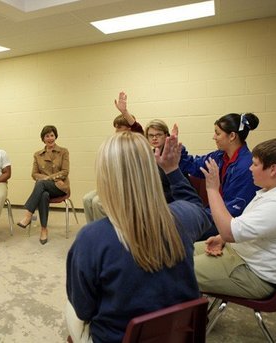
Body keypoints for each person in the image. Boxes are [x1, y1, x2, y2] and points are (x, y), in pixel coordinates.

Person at [66, 131, 211, 343]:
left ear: (105, 177)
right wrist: (172, 169)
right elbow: (196, 206)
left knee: (68, 308)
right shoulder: (183, 218)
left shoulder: (90, 238)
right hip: (178, 336)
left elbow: (83, 309)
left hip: (118, 338)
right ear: (150, 172)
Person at [195, 138, 276, 299]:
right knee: (176, 254)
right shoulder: (273, 191)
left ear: (273, 169)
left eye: (255, 164)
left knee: (173, 273)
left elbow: (229, 231)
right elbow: (243, 230)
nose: (250, 168)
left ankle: (183, 320)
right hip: (240, 253)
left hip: (252, 273)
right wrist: (222, 239)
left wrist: (213, 189)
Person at [178, 113, 260, 240]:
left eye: (217, 133)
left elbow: (233, 211)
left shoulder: (246, 167)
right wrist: (178, 150)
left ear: (232, 136)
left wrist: (199, 217)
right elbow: (194, 166)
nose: (214, 137)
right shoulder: (220, 156)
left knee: (178, 230)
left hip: (227, 223)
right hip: (214, 214)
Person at [83, 91, 144, 223]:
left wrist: (125, 112)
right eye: (115, 127)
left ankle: (105, 236)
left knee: (98, 203)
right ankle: (93, 231)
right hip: (114, 185)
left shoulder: (136, 143)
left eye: (119, 127)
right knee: (87, 199)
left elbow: (138, 129)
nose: (116, 131)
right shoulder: (116, 145)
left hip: (129, 187)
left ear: (128, 129)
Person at [17, 125, 70, 244]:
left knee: (41, 184)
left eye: (52, 135)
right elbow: (34, 174)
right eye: (47, 136)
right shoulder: (37, 154)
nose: (50, 138)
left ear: (55, 136)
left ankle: (28, 215)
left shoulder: (63, 151)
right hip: (44, 188)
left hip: (60, 187)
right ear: (43, 138)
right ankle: (44, 229)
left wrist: (47, 179)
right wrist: (45, 180)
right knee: (43, 194)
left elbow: (65, 172)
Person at [144, 120, 191, 203]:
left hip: (176, 200)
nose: (154, 138)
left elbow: (176, 186)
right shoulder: (149, 155)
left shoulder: (174, 152)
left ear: (166, 135)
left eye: (158, 135)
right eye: (151, 135)